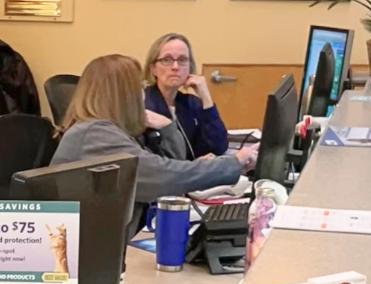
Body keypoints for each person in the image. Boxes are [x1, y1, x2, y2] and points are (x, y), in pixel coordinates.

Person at [53, 54, 256, 206]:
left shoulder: (108, 131)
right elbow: (164, 178)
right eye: (139, 87)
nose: (143, 93)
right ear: (123, 95)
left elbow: (168, 169)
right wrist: (234, 163)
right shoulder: (95, 135)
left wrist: (167, 129)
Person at [143, 33, 229, 158]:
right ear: (153, 69)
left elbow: (218, 147)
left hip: (194, 174)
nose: (175, 67)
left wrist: (206, 99)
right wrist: (194, 166)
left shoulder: (192, 103)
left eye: (182, 60)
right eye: (167, 60)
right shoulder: (142, 103)